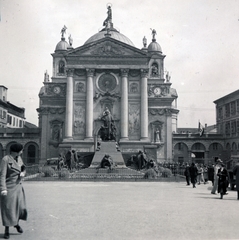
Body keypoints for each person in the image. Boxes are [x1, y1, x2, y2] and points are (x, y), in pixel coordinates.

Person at [0, 143, 27, 239]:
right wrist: (3, 188)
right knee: (8, 209)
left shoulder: (19, 158)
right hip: (9, 188)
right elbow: (2, 175)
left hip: (18, 188)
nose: (22, 152)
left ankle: (16, 224)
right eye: (21, 150)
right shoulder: (6, 159)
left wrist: (23, 173)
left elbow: (23, 167)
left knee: (19, 208)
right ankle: (6, 229)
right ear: (16, 151)